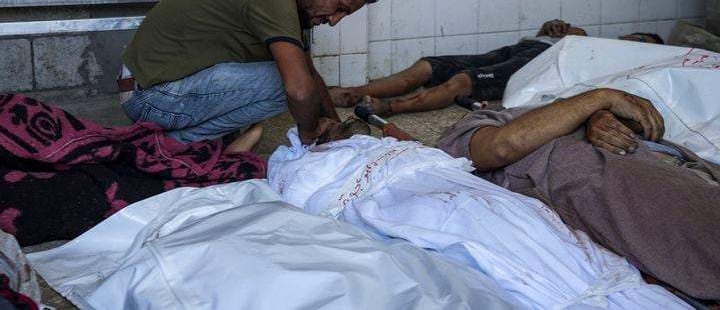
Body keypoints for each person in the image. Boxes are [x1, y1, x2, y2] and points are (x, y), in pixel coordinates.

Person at [267, 123, 686, 308]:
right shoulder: (298, 163)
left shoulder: (392, 147)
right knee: (484, 248)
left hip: (450, 189)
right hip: (408, 198)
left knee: (532, 231)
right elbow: (309, 201)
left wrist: (396, 141)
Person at [436, 87, 720, 301]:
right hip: (650, 191)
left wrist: (599, 115)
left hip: (688, 169)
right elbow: (500, 147)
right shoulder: (476, 128)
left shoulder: (575, 112)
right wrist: (600, 98)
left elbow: (647, 122)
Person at [119, 0, 380, 146]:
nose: (334, 21)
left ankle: (178, 142)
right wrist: (311, 133)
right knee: (287, 83)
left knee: (297, 76)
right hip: (151, 97)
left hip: (151, 89)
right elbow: (300, 88)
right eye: (339, 9)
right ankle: (179, 143)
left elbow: (310, 72)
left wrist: (333, 126)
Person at [329, 19, 662, 115]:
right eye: (637, 36)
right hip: (520, 49)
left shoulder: (613, 61)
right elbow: (549, 30)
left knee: (461, 82)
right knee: (428, 66)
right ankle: (352, 93)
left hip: (533, 66)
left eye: (642, 43)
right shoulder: (590, 38)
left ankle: (385, 108)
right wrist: (554, 27)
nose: (633, 39)